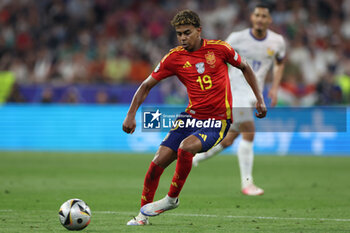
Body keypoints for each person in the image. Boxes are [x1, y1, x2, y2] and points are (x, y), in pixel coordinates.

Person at [122, 9, 267, 226]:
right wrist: (131, 115)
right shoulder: (174, 57)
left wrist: (259, 98)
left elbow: (245, 67)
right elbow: (146, 85)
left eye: (187, 33)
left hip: (217, 121)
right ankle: (142, 217)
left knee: (185, 147)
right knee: (156, 164)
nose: (182, 38)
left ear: (199, 31)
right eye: (179, 33)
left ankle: (171, 199)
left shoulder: (220, 49)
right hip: (190, 117)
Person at [192, 3, 286, 196]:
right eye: (257, 15)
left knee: (228, 139)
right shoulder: (237, 38)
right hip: (234, 91)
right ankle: (247, 184)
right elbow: (217, 56)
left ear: (269, 20)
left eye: (264, 16)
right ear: (252, 18)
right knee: (249, 131)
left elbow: (280, 62)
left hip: (253, 94)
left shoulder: (277, 42)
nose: (260, 19)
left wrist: (275, 87)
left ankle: (194, 157)